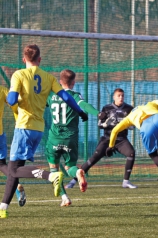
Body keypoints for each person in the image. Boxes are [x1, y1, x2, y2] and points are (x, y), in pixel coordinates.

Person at [0, 44, 88, 219]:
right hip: (38, 130)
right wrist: (80, 112)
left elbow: (10, 100)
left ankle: (51, 176)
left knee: (13, 170)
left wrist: (16, 97)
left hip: (24, 126)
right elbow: (65, 96)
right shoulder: (48, 77)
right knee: (14, 169)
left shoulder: (19, 75)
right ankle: (3, 207)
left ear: (24, 59)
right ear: (39, 60)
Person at [45, 69, 103, 207]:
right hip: (70, 139)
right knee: (70, 166)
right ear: (73, 82)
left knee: (54, 170)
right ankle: (77, 172)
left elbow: (40, 103)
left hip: (54, 137)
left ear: (60, 81)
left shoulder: (51, 95)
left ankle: (65, 198)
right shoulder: (75, 96)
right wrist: (97, 113)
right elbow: (84, 105)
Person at [65, 88, 137, 189]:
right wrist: (106, 123)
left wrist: (129, 125)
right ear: (114, 97)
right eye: (119, 95)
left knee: (131, 153)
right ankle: (73, 181)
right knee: (93, 159)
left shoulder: (129, 109)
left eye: (122, 96)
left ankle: (126, 181)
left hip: (121, 139)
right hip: (107, 139)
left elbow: (133, 125)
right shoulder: (107, 108)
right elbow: (99, 124)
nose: (121, 98)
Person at [0, 85, 26, 207]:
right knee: (1, 164)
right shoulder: (2, 90)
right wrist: (18, 120)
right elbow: (14, 105)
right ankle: (16, 186)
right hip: (0, 133)